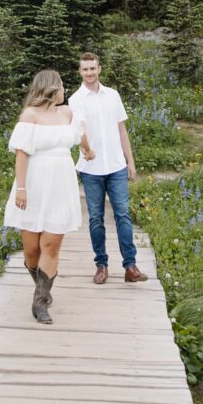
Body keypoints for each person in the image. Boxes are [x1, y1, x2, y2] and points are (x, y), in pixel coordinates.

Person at [3, 69, 94, 324]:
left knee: (51, 245)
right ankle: (40, 284)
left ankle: (41, 302)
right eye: (62, 85)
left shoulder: (67, 113)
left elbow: (80, 133)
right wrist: (21, 189)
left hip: (61, 185)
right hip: (33, 183)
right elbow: (21, 154)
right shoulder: (30, 115)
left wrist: (88, 150)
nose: (65, 90)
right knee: (31, 249)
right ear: (51, 88)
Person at [68, 52, 149, 284]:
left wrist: (130, 161)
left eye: (93, 68)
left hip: (116, 167)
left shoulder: (113, 95)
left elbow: (121, 129)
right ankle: (101, 265)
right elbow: (80, 130)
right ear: (80, 72)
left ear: (99, 69)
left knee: (123, 214)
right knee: (96, 218)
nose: (90, 73)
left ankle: (130, 266)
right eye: (85, 69)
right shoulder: (75, 100)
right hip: (91, 168)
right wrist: (87, 150)